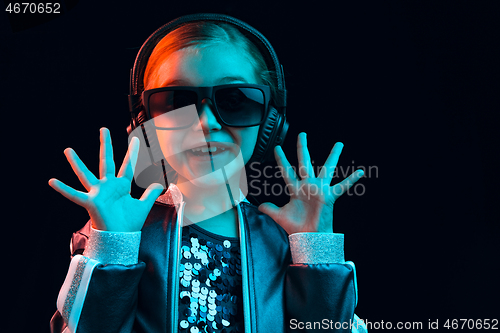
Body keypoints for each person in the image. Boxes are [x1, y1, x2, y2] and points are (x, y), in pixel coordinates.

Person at [49, 13, 368, 333]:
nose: (206, 123)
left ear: (270, 121)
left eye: (234, 100)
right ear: (144, 122)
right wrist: (113, 246)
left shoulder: (283, 242)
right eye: (177, 102)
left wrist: (315, 249)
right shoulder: (119, 230)